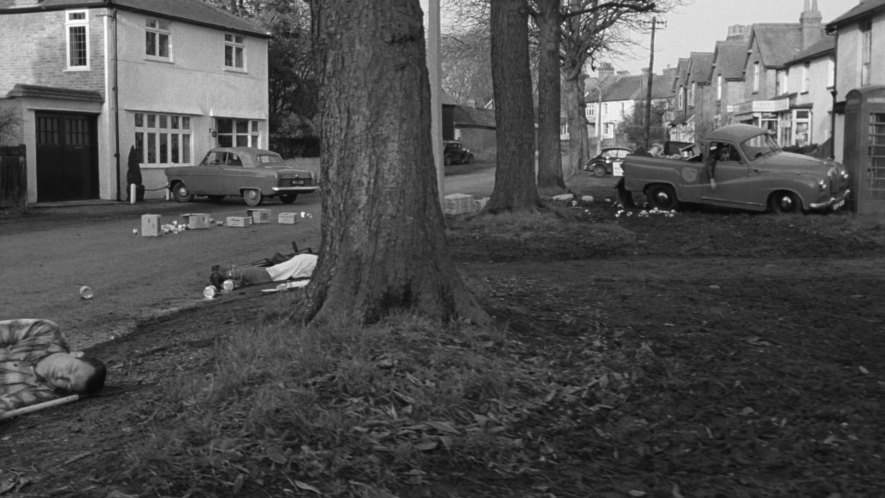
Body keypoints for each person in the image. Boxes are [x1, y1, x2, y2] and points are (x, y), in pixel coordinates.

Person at [0, 319, 107, 415]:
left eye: (67, 384)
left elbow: (9, 403)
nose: (61, 376)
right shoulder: (45, 332)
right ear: (75, 354)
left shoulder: (43, 394)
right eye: (70, 368)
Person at [210, 253, 318, 289]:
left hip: (305, 261)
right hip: (304, 263)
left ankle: (226, 273)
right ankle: (226, 274)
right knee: (268, 272)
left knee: (267, 272)